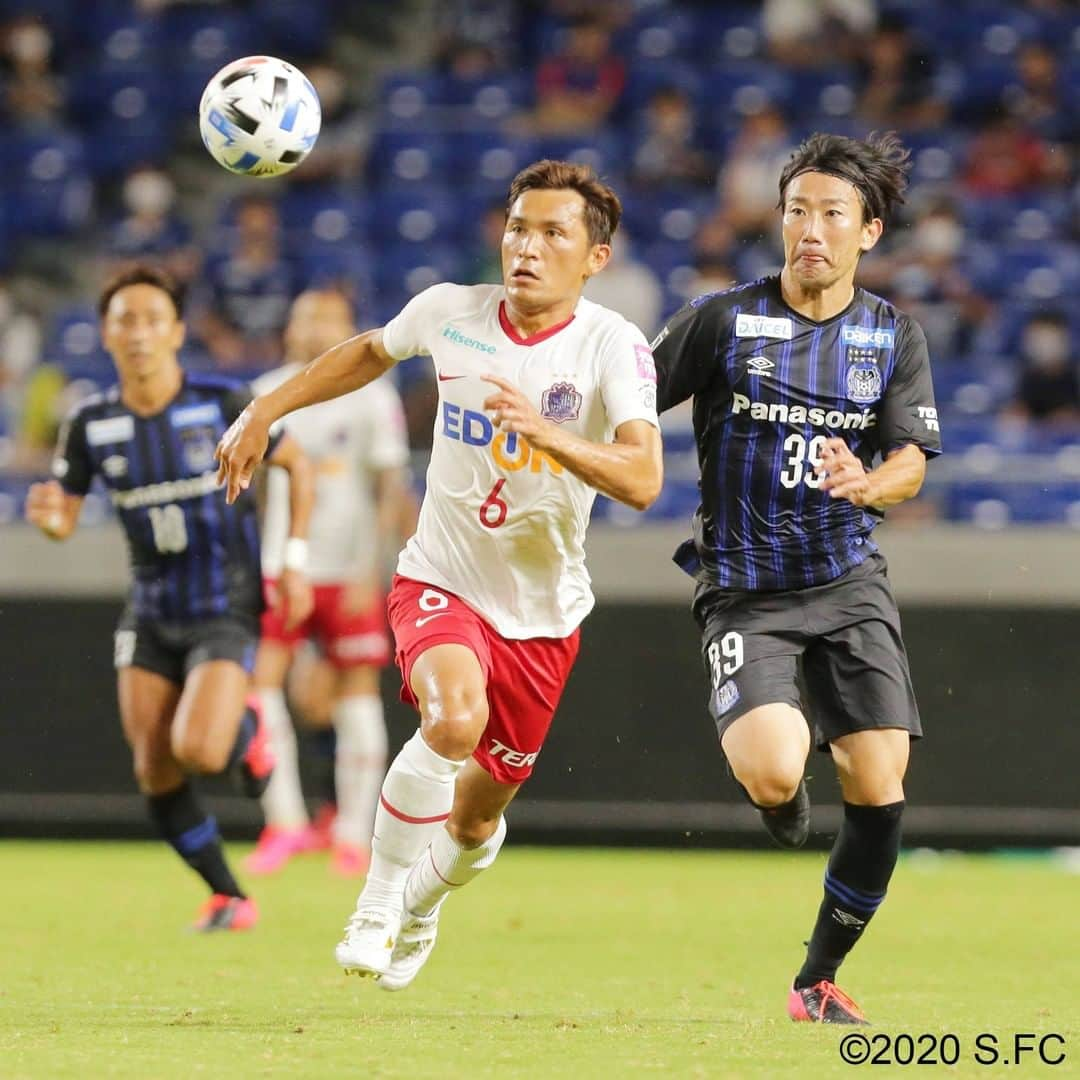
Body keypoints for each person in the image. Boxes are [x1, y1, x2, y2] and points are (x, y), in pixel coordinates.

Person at [216, 159, 662, 990]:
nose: (526, 246)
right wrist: (267, 409)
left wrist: (549, 435)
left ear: (594, 258)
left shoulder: (612, 347)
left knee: (476, 817)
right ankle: (378, 903)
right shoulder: (451, 312)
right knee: (452, 720)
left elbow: (641, 479)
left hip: (543, 613)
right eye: (518, 226)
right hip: (441, 576)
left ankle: (421, 905)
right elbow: (366, 352)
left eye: (552, 233)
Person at [652, 132, 941, 1023]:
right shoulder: (721, 320)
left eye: (832, 214)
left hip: (849, 580)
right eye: (798, 211)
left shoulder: (891, 335)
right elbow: (626, 401)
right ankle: (781, 787)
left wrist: (868, 481)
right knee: (777, 775)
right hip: (745, 587)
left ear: (869, 230)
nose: (811, 229)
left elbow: (910, 461)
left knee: (882, 782)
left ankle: (815, 978)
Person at [25, 264, 315, 931]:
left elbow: (298, 466)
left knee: (199, 751)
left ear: (178, 331)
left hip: (225, 604)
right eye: (125, 319)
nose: (139, 333)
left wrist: (293, 562)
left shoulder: (221, 402)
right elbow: (63, 518)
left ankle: (247, 736)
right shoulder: (91, 422)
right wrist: (49, 517)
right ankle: (229, 896)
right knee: (153, 764)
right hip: (151, 613)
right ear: (105, 333)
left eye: (153, 319)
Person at [246, 287, 416, 878]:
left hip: (348, 571)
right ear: (289, 327)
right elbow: (258, 489)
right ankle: (285, 822)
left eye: (330, 318)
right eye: (306, 316)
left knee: (356, 697)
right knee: (259, 688)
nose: (316, 327)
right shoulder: (266, 391)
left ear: (349, 328)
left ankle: (352, 835)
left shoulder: (372, 396)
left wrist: (375, 571)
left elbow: (388, 489)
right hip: (282, 568)